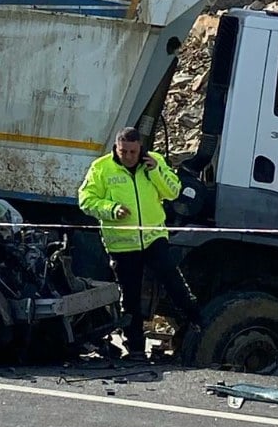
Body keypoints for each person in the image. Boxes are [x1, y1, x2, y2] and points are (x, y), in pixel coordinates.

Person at [78, 127, 202, 361]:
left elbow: (174, 192)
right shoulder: (102, 168)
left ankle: (195, 321)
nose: (128, 156)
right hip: (123, 244)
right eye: (123, 151)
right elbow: (86, 200)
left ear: (140, 148)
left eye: (133, 152)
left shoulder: (154, 162)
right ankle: (135, 347)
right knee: (130, 296)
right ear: (116, 147)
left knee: (171, 278)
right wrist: (112, 210)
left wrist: (155, 172)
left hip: (153, 237)